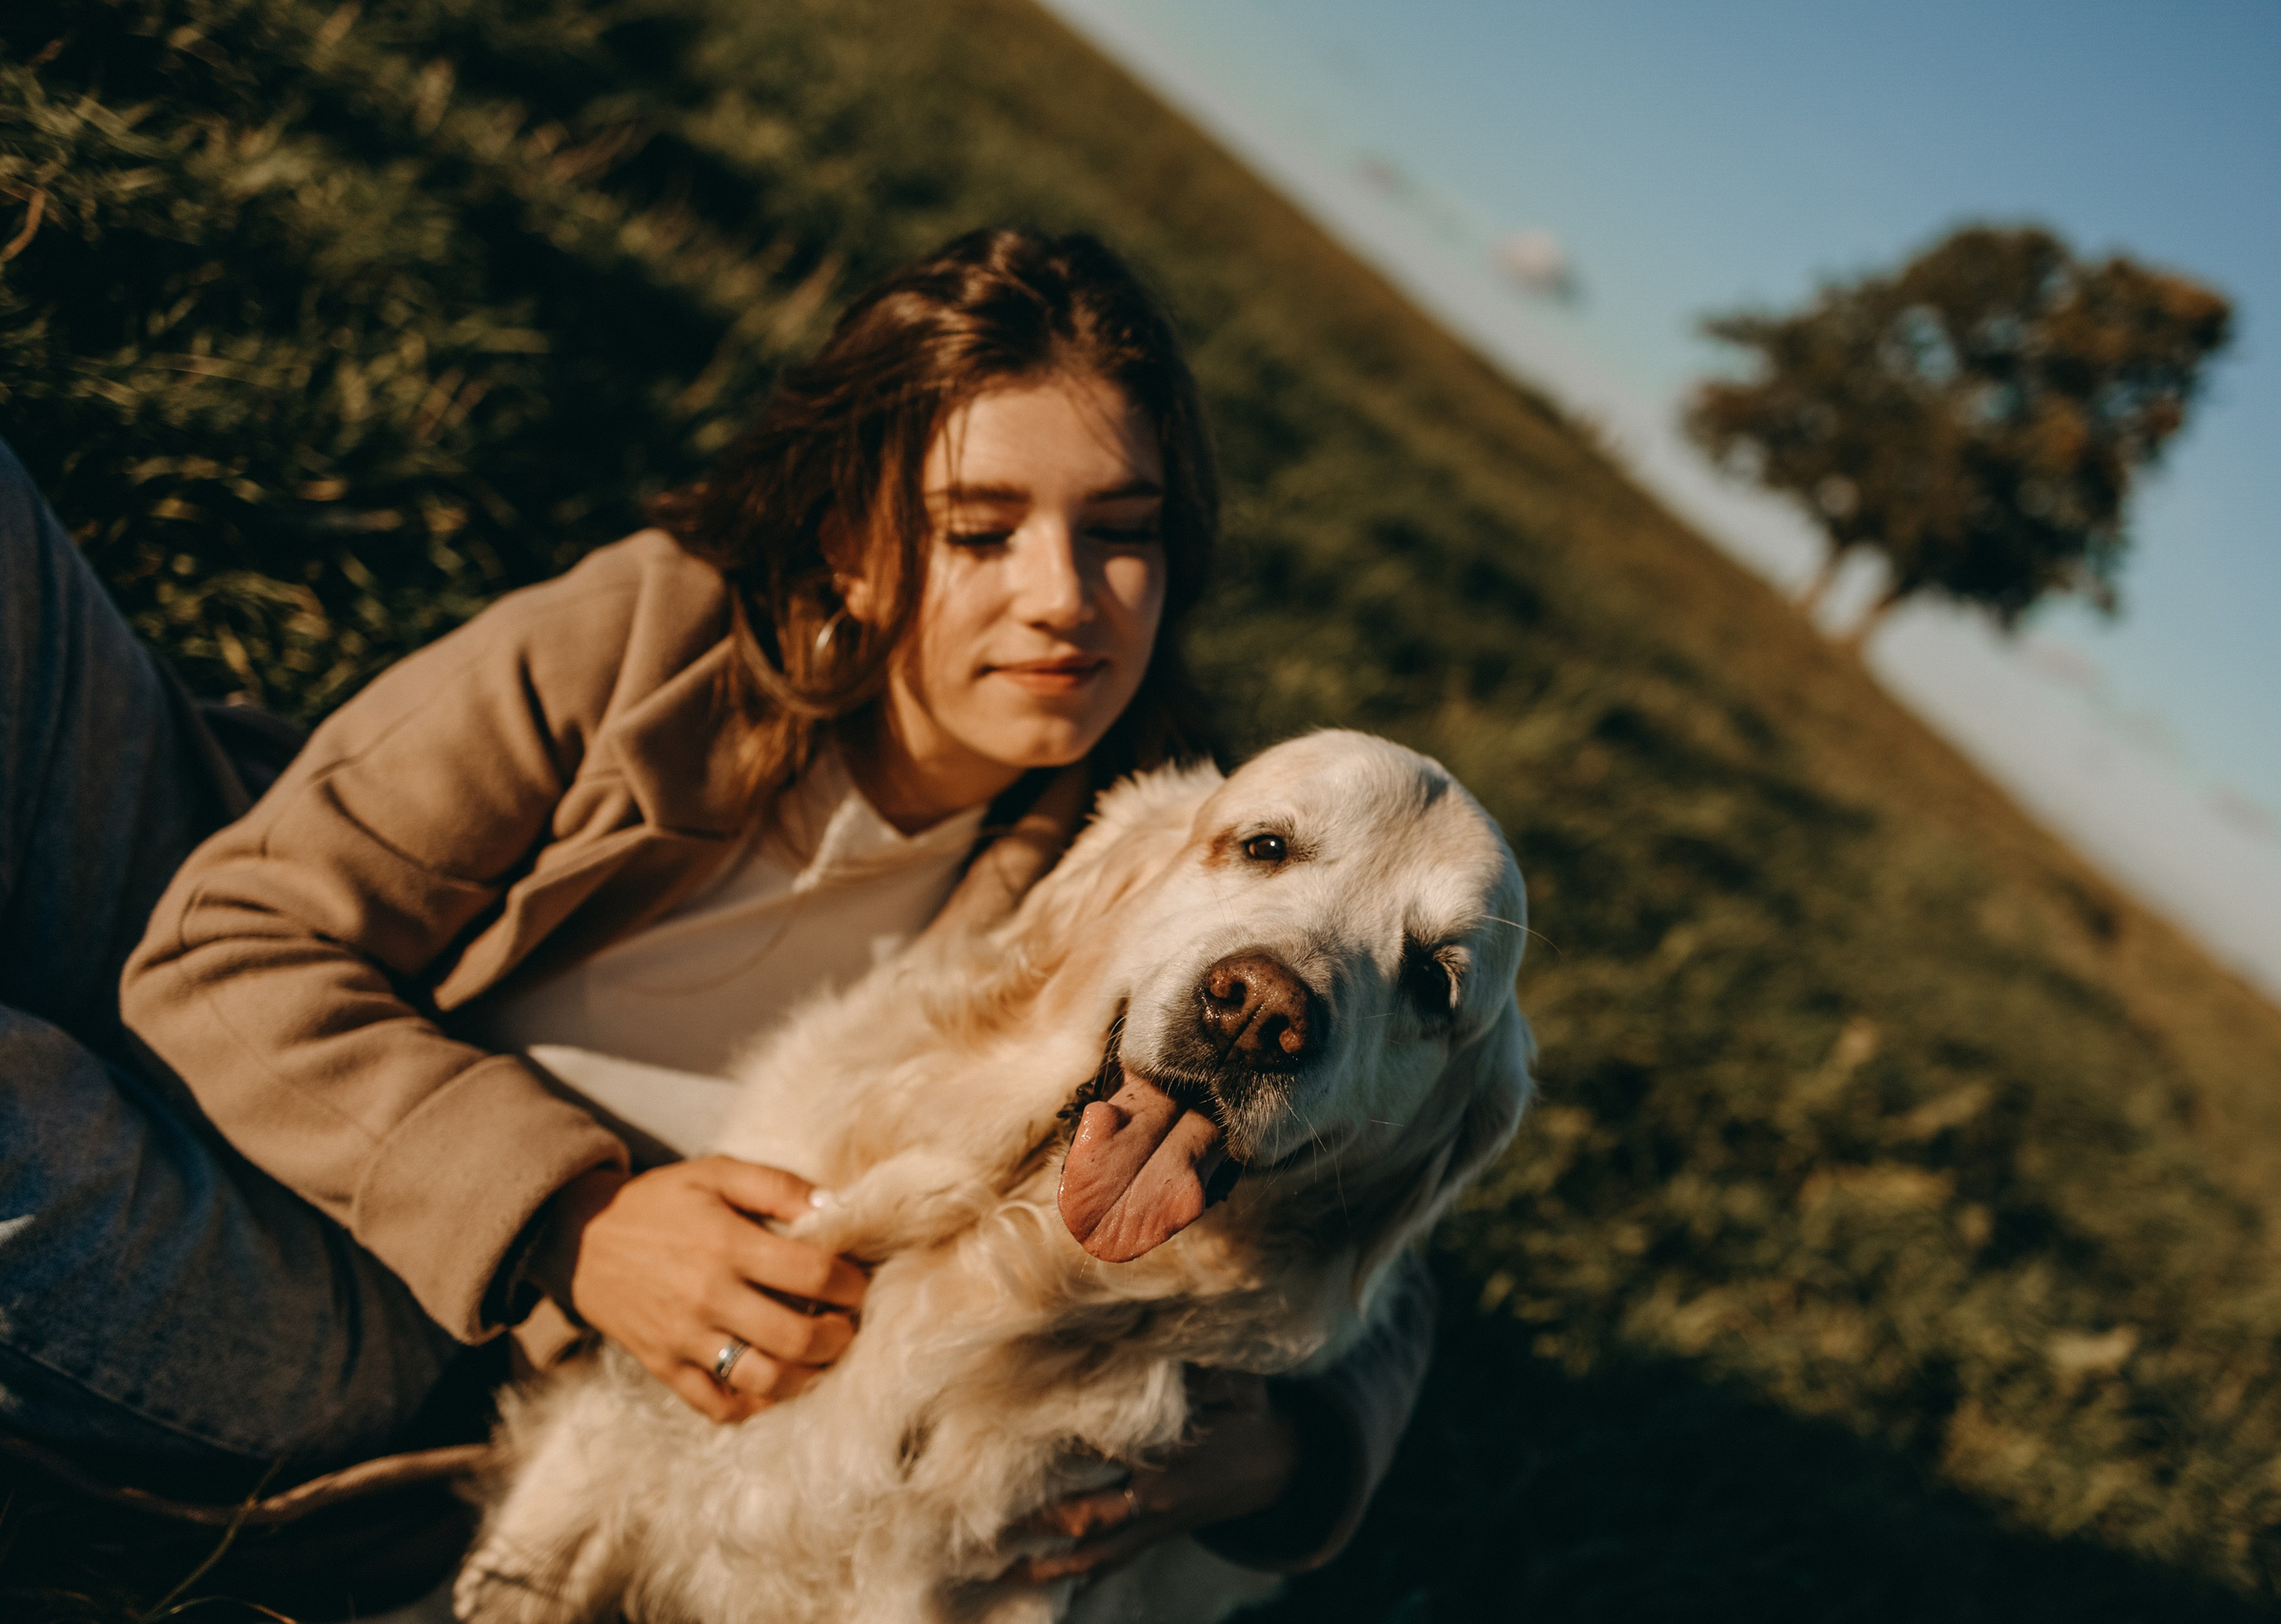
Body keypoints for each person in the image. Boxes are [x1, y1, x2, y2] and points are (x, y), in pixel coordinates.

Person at [3, 227, 1429, 1579]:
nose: (1065, 596)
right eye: (979, 530)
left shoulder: (1150, 859)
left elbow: (1394, 1196)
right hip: (223, 900)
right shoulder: (660, 629)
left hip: (385, 1304)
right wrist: (580, 1215)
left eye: (1122, 532)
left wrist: (1293, 1450)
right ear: (851, 538)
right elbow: (228, 943)